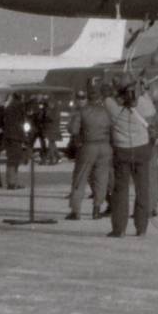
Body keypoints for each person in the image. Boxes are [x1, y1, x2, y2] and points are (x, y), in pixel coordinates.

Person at [106, 82, 154, 236]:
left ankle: (119, 229)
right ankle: (141, 227)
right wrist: (142, 91)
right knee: (142, 189)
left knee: (120, 190)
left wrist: (118, 94)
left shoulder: (112, 107)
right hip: (141, 149)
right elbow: (152, 110)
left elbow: (108, 98)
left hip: (122, 150)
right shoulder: (143, 106)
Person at [67, 82, 115, 219]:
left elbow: (73, 130)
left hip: (88, 146)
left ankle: (75, 210)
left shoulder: (82, 111)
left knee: (80, 178)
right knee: (101, 178)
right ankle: (96, 209)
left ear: (88, 98)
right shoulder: (107, 112)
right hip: (105, 147)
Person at [3, 92, 33, 189]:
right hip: (16, 136)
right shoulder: (18, 106)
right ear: (20, 97)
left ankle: (12, 181)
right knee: (14, 160)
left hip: (9, 136)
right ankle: (12, 182)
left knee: (11, 159)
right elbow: (23, 122)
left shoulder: (9, 107)